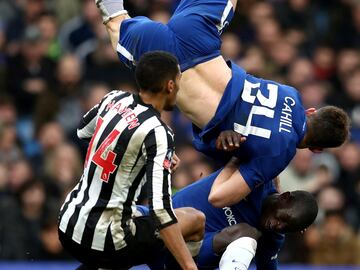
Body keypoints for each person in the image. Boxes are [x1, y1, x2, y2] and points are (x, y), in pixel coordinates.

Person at [95, 0, 350, 207]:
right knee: (115, 19)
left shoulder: (291, 94)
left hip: (200, 39)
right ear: (317, 150)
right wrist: (238, 161)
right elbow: (218, 198)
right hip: (170, 70)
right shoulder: (278, 155)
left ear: (311, 111)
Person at [57, 51, 205, 270]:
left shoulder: (114, 98)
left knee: (130, 234)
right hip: (107, 241)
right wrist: (189, 267)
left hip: (68, 224)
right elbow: (160, 210)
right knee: (195, 220)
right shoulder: (159, 133)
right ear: (170, 85)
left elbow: (83, 132)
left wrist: (139, 154)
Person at [137, 166, 318, 270]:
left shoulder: (272, 238)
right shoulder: (256, 180)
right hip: (155, 222)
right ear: (284, 197)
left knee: (246, 235)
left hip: (174, 261)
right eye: (282, 218)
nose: (276, 226)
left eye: (285, 227)